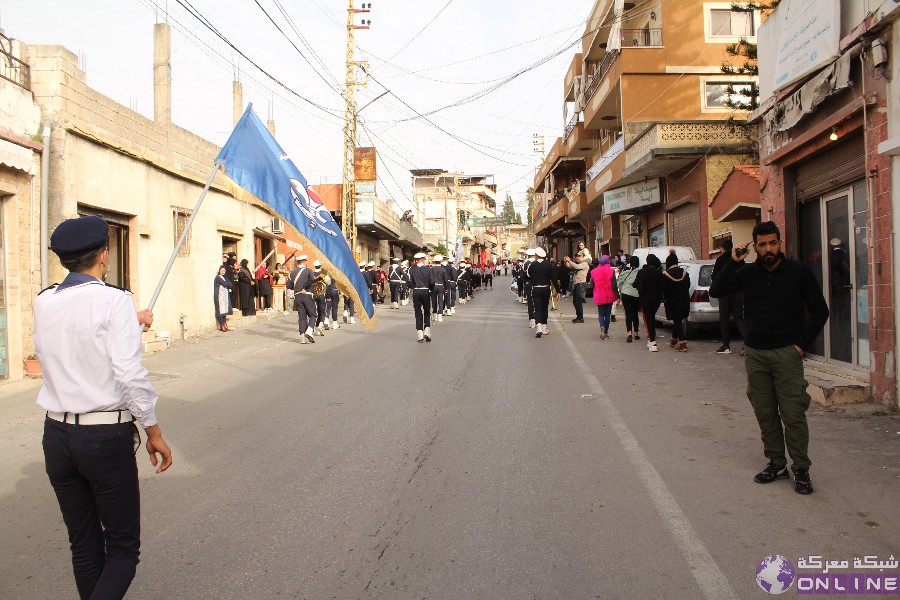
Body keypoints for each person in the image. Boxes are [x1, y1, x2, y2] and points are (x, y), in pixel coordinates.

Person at [35, 216, 172, 600]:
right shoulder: (116, 300)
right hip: (103, 437)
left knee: (85, 545)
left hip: (57, 435)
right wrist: (154, 432)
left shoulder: (45, 301)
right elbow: (129, 376)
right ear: (103, 255)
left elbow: (75, 335)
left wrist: (131, 320)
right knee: (124, 551)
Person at [709, 221, 829, 495]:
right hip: (756, 353)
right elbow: (717, 290)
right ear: (755, 247)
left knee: (793, 413)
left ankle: (801, 469)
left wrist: (801, 345)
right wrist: (733, 260)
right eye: (762, 245)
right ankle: (776, 462)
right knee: (764, 411)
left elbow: (820, 310)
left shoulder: (798, 272)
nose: (768, 249)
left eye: (772, 243)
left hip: (787, 352)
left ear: (779, 243)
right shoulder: (747, 272)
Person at [712, 239, 748, 355]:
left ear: (722, 248)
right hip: (737, 292)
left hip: (724, 293)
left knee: (724, 319)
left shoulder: (720, 259)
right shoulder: (739, 258)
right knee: (738, 317)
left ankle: (726, 346)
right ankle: (748, 343)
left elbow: (715, 277)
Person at [662, 252, 691, 352]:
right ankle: (674, 340)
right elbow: (688, 285)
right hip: (684, 299)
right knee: (678, 320)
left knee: (677, 320)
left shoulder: (666, 274)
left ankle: (682, 343)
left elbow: (664, 288)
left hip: (672, 300)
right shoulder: (685, 273)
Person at [635, 253, 664, 352]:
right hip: (656, 300)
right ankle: (650, 340)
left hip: (645, 300)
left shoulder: (642, 272)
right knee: (651, 318)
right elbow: (662, 287)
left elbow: (636, 284)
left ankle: (652, 341)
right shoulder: (659, 273)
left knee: (648, 321)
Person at [287, 254, 317, 344]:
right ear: (304, 262)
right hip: (307, 294)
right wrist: (304, 287)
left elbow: (288, 285)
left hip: (297, 296)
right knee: (313, 314)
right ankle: (309, 330)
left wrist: (296, 287)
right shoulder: (308, 271)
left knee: (302, 317)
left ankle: (302, 337)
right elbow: (312, 279)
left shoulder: (292, 273)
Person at [529, 247, 559, 338]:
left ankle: (538, 327)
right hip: (546, 289)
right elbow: (554, 278)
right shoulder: (549, 265)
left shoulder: (532, 265)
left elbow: (528, 275)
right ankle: (544, 327)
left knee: (537, 308)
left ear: (536, 256)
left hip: (535, 289)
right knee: (544, 308)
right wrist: (558, 291)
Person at [408, 252, 435, 342]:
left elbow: (410, 282)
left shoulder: (412, 269)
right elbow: (432, 282)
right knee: (427, 311)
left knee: (418, 312)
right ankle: (427, 331)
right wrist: (430, 289)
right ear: (423, 259)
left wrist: (414, 287)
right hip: (425, 291)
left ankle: (419, 334)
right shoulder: (428, 269)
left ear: (416, 260)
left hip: (416, 291)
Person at [591, 255, 618, 340]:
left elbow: (592, 284)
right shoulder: (611, 271)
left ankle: (602, 327)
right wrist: (617, 296)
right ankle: (606, 332)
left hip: (599, 294)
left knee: (601, 314)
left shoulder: (594, 271)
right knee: (607, 314)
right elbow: (614, 285)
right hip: (609, 294)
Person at [617, 256, 641, 342]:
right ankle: (636, 333)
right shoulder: (640, 272)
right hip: (636, 295)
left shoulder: (625, 272)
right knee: (635, 314)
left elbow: (619, 283)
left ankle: (629, 333)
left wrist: (621, 290)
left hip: (626, 294)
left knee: (628, 314)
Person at [564, 252, 589, 323]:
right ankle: (578, 316)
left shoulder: (584, 263)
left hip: (581, 284)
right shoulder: (577, 263)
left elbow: (577, 267)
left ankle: (580, 318)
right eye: (576, 256)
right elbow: (570, 266)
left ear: (583, 257)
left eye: (579, 256)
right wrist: (566, 261)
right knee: (575, 302)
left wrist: (569, 261)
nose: (577, 257)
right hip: (576, 284)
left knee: (578, 302)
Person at [312, 260, 329, 336]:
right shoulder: (323, 274)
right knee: (322, 311)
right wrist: (328, 296)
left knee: (315, 311)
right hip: (322, 294)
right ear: (320, 266)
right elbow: (327, 285)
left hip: (314, 294)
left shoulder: (311, 273)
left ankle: (316, 328)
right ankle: (321, 325)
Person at [214, 265, 233, 332]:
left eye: (224, 271)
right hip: (219, 296)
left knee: (224, 311)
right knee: (220, 310)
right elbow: (224, 284)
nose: (223, 272)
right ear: (219, 270)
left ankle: (225, 324)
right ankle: (222, 325)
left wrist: (227, 283)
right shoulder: (218, 277)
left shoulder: (225, 277)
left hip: (224, 296)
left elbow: (231, 284)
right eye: (222, 270)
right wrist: (227, 284)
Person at [431, 254, 448, 322]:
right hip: (441, 286)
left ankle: (434, 315)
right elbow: (446, 280)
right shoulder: (443, 270)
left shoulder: (431, 269)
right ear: (441, 261)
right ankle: (439, 316)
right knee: (440, 301)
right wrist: (446, 288)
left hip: (433, 286)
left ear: (434, 261)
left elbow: (429, 279)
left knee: (434, 301)